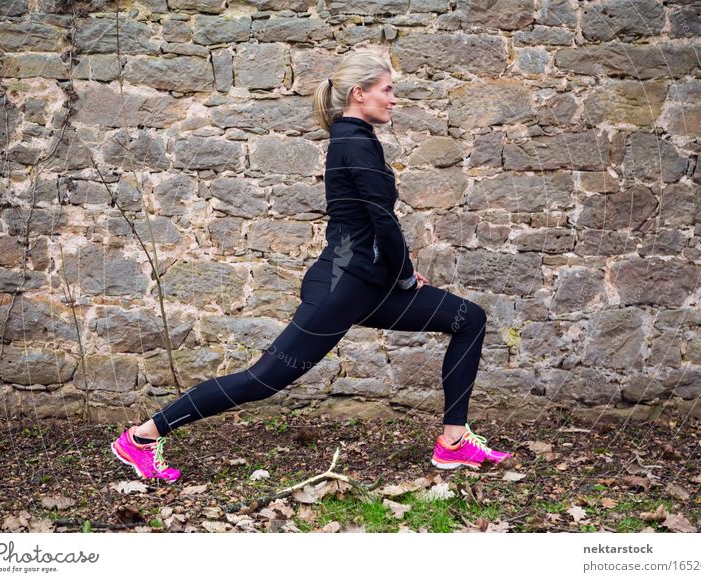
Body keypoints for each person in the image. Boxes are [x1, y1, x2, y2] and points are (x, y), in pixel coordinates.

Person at [111, 49, 511, 482]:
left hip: (363, 285)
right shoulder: (356, 143)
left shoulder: (353, 138)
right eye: (387, 90)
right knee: (263, 380)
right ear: (359, 94)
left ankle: (453, 442)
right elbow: (384, 221)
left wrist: (395, 276)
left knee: (468, 319)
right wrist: (404, 276)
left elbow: (374, 223)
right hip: (343, 288)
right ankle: (142, 438)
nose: (394, 100)